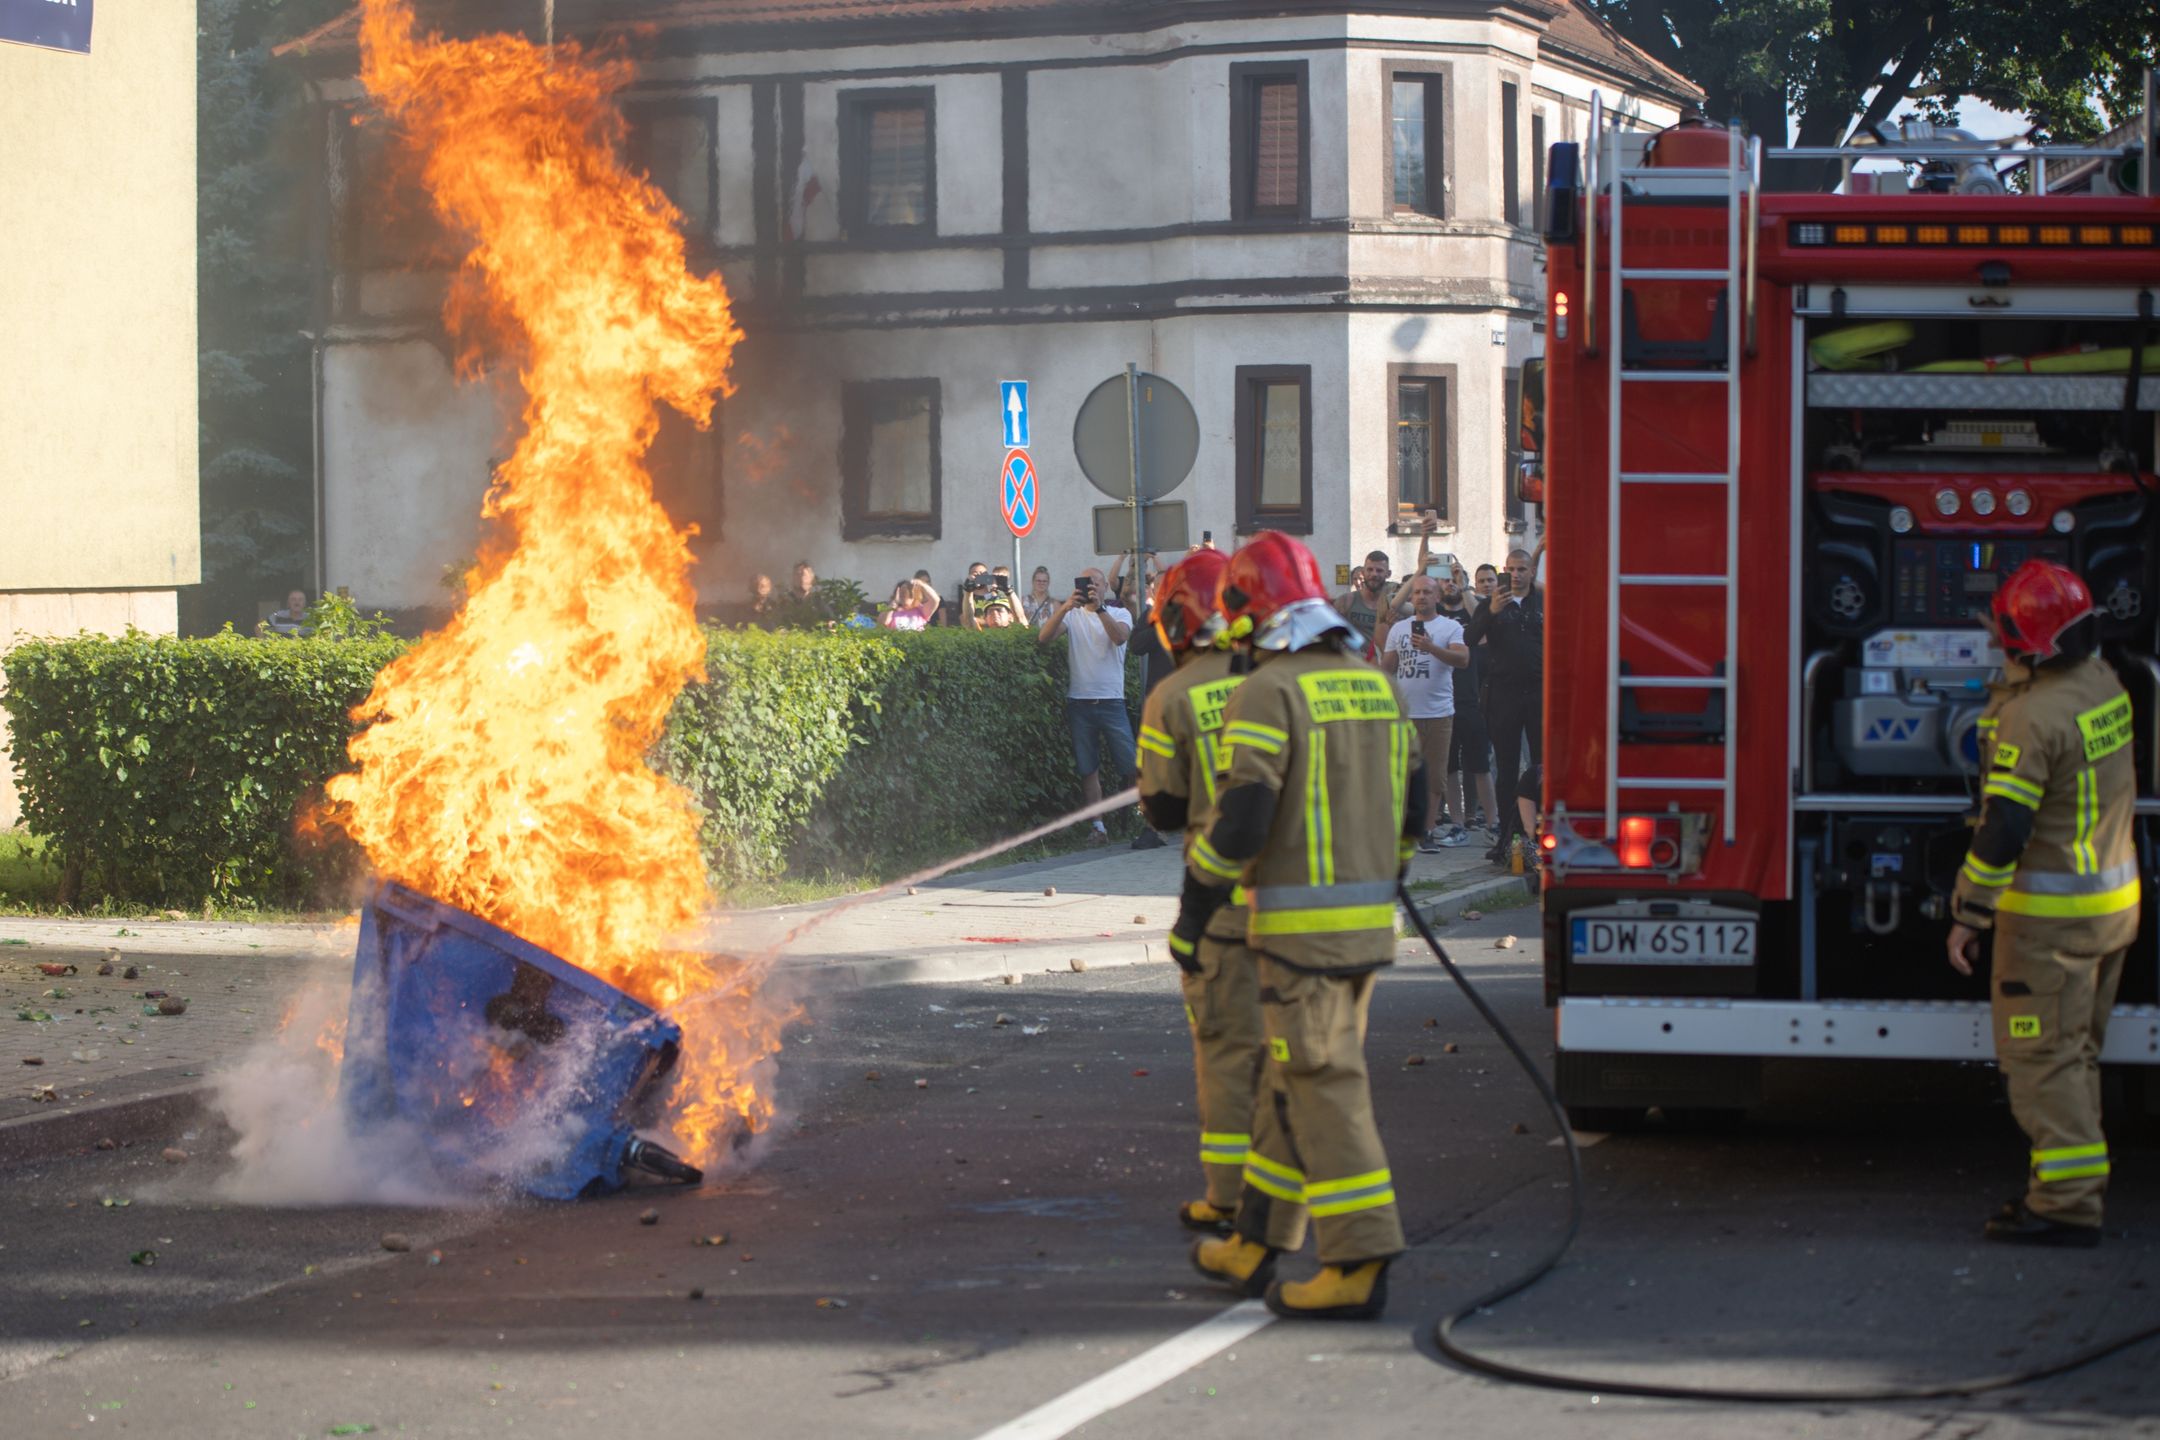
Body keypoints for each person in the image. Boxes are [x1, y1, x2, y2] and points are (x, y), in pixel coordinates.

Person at [1184, 531, 1423, 1321]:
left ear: (1250, 611)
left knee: (1322, 1084)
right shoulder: (1374, 682)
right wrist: (1388, 872)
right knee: (1287, 1085)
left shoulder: (1269, 692)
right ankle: (1256, 1240)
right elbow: (1416, 803)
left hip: (1299, 939)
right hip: (1366, 931)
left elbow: (1244, 818)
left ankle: (1358, 1258)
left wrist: (1195, 907)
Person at [1947, 561, 2138, 1248]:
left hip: (2049, 930)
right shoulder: (2102, 684)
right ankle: (2063, 1190)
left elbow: (2004, 831)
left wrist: (1968, 914)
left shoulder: (2031, 720)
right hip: (2107, 910)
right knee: (2074, 1054)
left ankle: (2065, 1205)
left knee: (2042, 1062)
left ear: (2024, 643)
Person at [1134, 548, 1260, 1235]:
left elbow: (1164, 811)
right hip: (1302, 908)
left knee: (1226, 1054)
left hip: (1222, 912)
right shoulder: (1277, 677)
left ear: (1179, 620)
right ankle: (1291, 1194)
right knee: (1302, 1062)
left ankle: (1230, 1199)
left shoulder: (1174, 697)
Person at [1037, 566, 1136, 846]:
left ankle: (1143, 817)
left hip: (1111, 700)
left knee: (1131, 764)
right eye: (1086, 583)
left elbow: (1119, 637)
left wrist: (1100, 608)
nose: (1091, 588)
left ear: (1105, 587)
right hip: (1080, 702)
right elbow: (1044, 638)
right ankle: (1098, 826)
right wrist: (1065, 607)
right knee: (1088, 768)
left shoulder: (1119, 613)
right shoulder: (1073, 616)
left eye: (1096, 583)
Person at [1463, 548, 1542, 866]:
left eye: (1522, 569)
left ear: (1532, 571)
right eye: (1511, 569)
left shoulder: (1541, 602)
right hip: (1504, 695)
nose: (1516, 575)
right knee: (1506, 769)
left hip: (1538, 693)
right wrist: (1491, 611)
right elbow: (1469, 638)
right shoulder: (1492, 603)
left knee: (1540, 766)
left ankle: (1540, 835)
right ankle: (1508, 839)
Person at [1382, 575, 1469, 851]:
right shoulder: (1399, 628)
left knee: (1434, 776)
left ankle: (1427, 830)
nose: (1421, 596)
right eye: (1417, 592)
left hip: (1438, 713)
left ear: (1437, 597)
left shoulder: (1450, 627)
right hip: (1406, 714)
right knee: (1403, 774)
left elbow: (1463, 659)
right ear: (1411, 597)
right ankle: (1403, 829)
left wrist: (1431, 647)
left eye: (1427, 592)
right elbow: (1387, 668)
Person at [1437, 563, 1495, 842]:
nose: (1451, 583)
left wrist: (1464, 587)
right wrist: (1423, 568)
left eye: (1455, 579)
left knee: (1480, 765)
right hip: (1442, 700)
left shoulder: (1473, 610)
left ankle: (1493, 823)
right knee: (1449, 767)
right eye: (1446, 580)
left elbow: (1481, 619)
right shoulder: (1434, 613)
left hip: (1470, 699)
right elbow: (1401, 606)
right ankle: (1458, 825)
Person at [1331, 550, 1402, 658]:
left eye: (1379, 570)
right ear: (1363, 572)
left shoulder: (1393, 605)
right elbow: (1329, 633)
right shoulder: (1346, 601)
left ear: (1388, 574)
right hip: (1353, 664)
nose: (1374, 574)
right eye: (1370, 569)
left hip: (1381, 663)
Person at [961, 567, 1026, 630]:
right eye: (990, 611)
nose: (994, 613)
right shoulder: (982, 635)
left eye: (999, 610)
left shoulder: (1017, 633)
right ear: (985, 618)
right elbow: (969, 621)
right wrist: (968, 592)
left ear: (1010, 616)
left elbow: (1021, 619)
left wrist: (1009, 591)